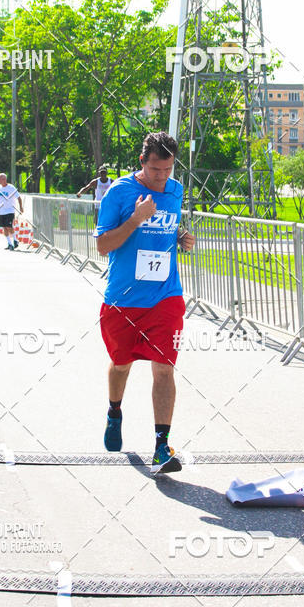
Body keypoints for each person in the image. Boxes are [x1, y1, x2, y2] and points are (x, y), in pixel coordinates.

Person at [94, 131, 195, 476]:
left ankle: (161, 447)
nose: (161, 177)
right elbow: (103, 245)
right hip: (123, 300)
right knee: (121, 364)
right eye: (155, 170)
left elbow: (166, 228)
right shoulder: (119, 192)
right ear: (142, 162)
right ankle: (114, 411)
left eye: (167, 169)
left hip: (165, 297)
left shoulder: (175, 190)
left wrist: (179, 237)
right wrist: (135, 219)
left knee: (164, 368)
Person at [0, 173, 23, 251]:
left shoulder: (11, 188)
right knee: (4, 227)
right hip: (1, 211)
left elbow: (19, 198)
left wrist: (21, 207)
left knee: (9, 226)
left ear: (4, 179)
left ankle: (15, 240)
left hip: (10, 210)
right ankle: (10, 244)